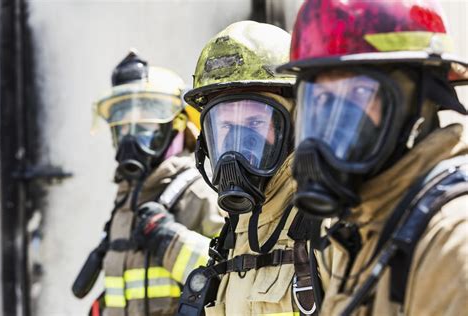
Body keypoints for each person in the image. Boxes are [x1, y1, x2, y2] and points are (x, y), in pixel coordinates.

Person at [278, 0, 468, 315]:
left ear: (419, 103)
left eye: (359, 94)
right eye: (322, 98)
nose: (333, 121)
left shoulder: (453, 246)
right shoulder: (366, 228)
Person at [176, 21, 320, 316]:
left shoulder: (327, 226)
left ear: (298, 123)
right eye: (225, 126)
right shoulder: (233, 235)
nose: (236, 147)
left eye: (255, 123)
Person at [72, 50, 223, 316]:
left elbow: (229, 277)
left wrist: (169, 239)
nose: (131, 140)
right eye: (124, 128)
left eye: (145, 128)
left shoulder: (198, 192)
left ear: (177, 127)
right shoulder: (126, 200)